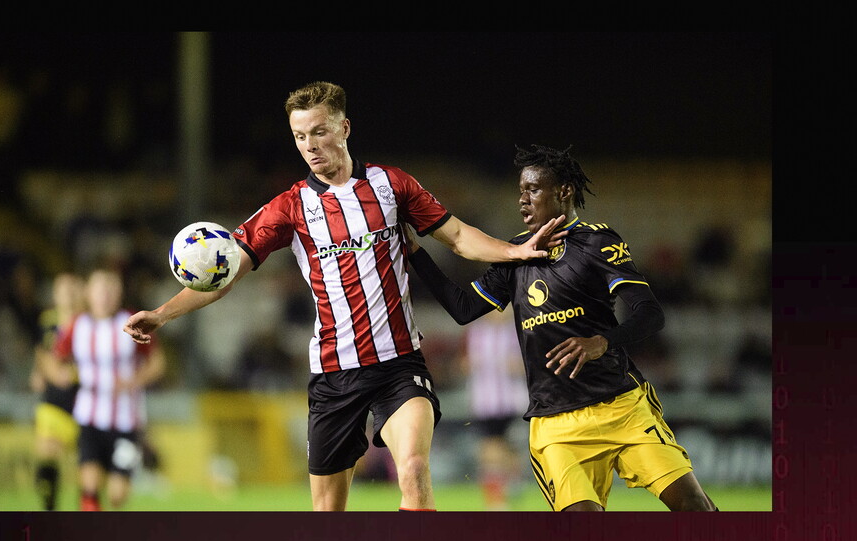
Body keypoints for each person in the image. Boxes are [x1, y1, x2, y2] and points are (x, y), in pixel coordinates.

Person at [123, 81, 562, 512]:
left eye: (319, 131)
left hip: (399, 365)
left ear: (345, 128)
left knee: (412, 469)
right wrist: (162, 314)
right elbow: (225, 274)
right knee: (329, 514)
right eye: (299, 136)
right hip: (334, 377)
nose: (309, 145)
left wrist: (515, 250)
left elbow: (459, 237)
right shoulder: (289, 208)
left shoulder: (392, 186)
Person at [403, 143, 717, 511]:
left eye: (533, 190)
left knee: (696, 509)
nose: (522, 201)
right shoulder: (516, 255)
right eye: (520, 191)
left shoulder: (598, 242)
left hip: (622, 408)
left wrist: (603, 341)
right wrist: (415, 253)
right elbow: (463, 309)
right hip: (555, 425)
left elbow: (651, 314)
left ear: (564, 192)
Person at [44, 268, 166, 511]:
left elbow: (158, 363)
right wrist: (60, 375)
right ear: (89, 292)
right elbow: (53, 359)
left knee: (117, 495)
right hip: (89, 418)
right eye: (101, 288)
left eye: (112, 288)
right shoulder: (78, 325)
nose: (106, 294)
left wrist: (134, 381)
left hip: (126, 422)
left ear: (119, 292)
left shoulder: (132, 322)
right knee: (90, 488)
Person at [460, 309, 528, 510]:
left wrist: (515, 366)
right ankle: (497, 498)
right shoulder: (476, 332)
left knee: (506, 451)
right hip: (484, 402)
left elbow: (528, 364)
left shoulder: (517, 332)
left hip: (512, 400)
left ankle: (510, 486)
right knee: (490, 450)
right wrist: (469, 364)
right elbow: (464, 363)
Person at [30, 272, 85, 511]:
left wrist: (73, 374)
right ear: (55, 293)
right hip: (53, 400)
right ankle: (49, 509)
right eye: (62, 290)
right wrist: (41, 371)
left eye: (71, 289)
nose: (67, 295)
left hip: (83, 401)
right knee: (47, 455)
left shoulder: (87, 322)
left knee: (86, 467)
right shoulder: (48, 320)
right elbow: (41, 351)